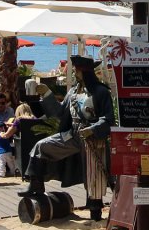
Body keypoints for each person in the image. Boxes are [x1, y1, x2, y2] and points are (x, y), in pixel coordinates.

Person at [17, 55, 115, 221]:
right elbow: (60, 114)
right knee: (41, 147)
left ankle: (95, 213)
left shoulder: (101, 92)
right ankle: (36, 184)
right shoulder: (73, 92)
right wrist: (46, 94)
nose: (74, 73)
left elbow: (108, 118)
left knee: (94, 177)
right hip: (72, 135)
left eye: (76, 69)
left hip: (92, 139)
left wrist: (93, 129)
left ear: (84, 71)